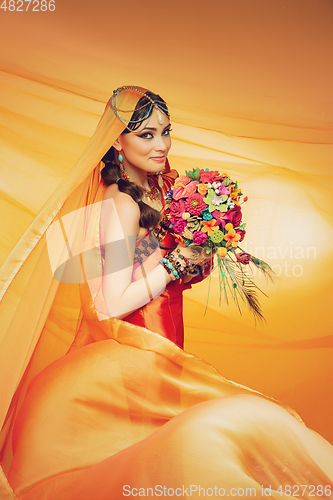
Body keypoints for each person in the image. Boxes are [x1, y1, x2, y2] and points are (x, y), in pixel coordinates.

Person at [0, 86, 332, 500]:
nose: (161, 145)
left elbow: (151, 271)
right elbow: (111, 301)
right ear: (116, 141)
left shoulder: (158, 194)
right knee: (186, 450)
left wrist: (197, 257)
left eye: (165, 132)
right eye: (145, 135)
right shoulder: (119, 204)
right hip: (129, 361)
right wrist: (179, 259)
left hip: (163, 349)